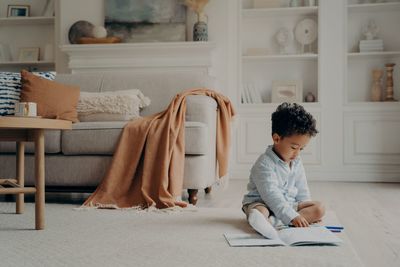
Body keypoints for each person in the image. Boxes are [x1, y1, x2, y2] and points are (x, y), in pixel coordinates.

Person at [242, 102, 325, 239]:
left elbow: (302, 190)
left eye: (301, 149)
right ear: (276, 138)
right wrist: (292, 216)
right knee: (260, 211)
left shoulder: (296, 161)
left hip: (289, 204)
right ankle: (270, 221)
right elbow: (272, 196)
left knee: (319, 207)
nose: (297, 153)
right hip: (264, 203)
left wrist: (304, 211)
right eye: (294, 147)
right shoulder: (264, 164)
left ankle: (275, 223)